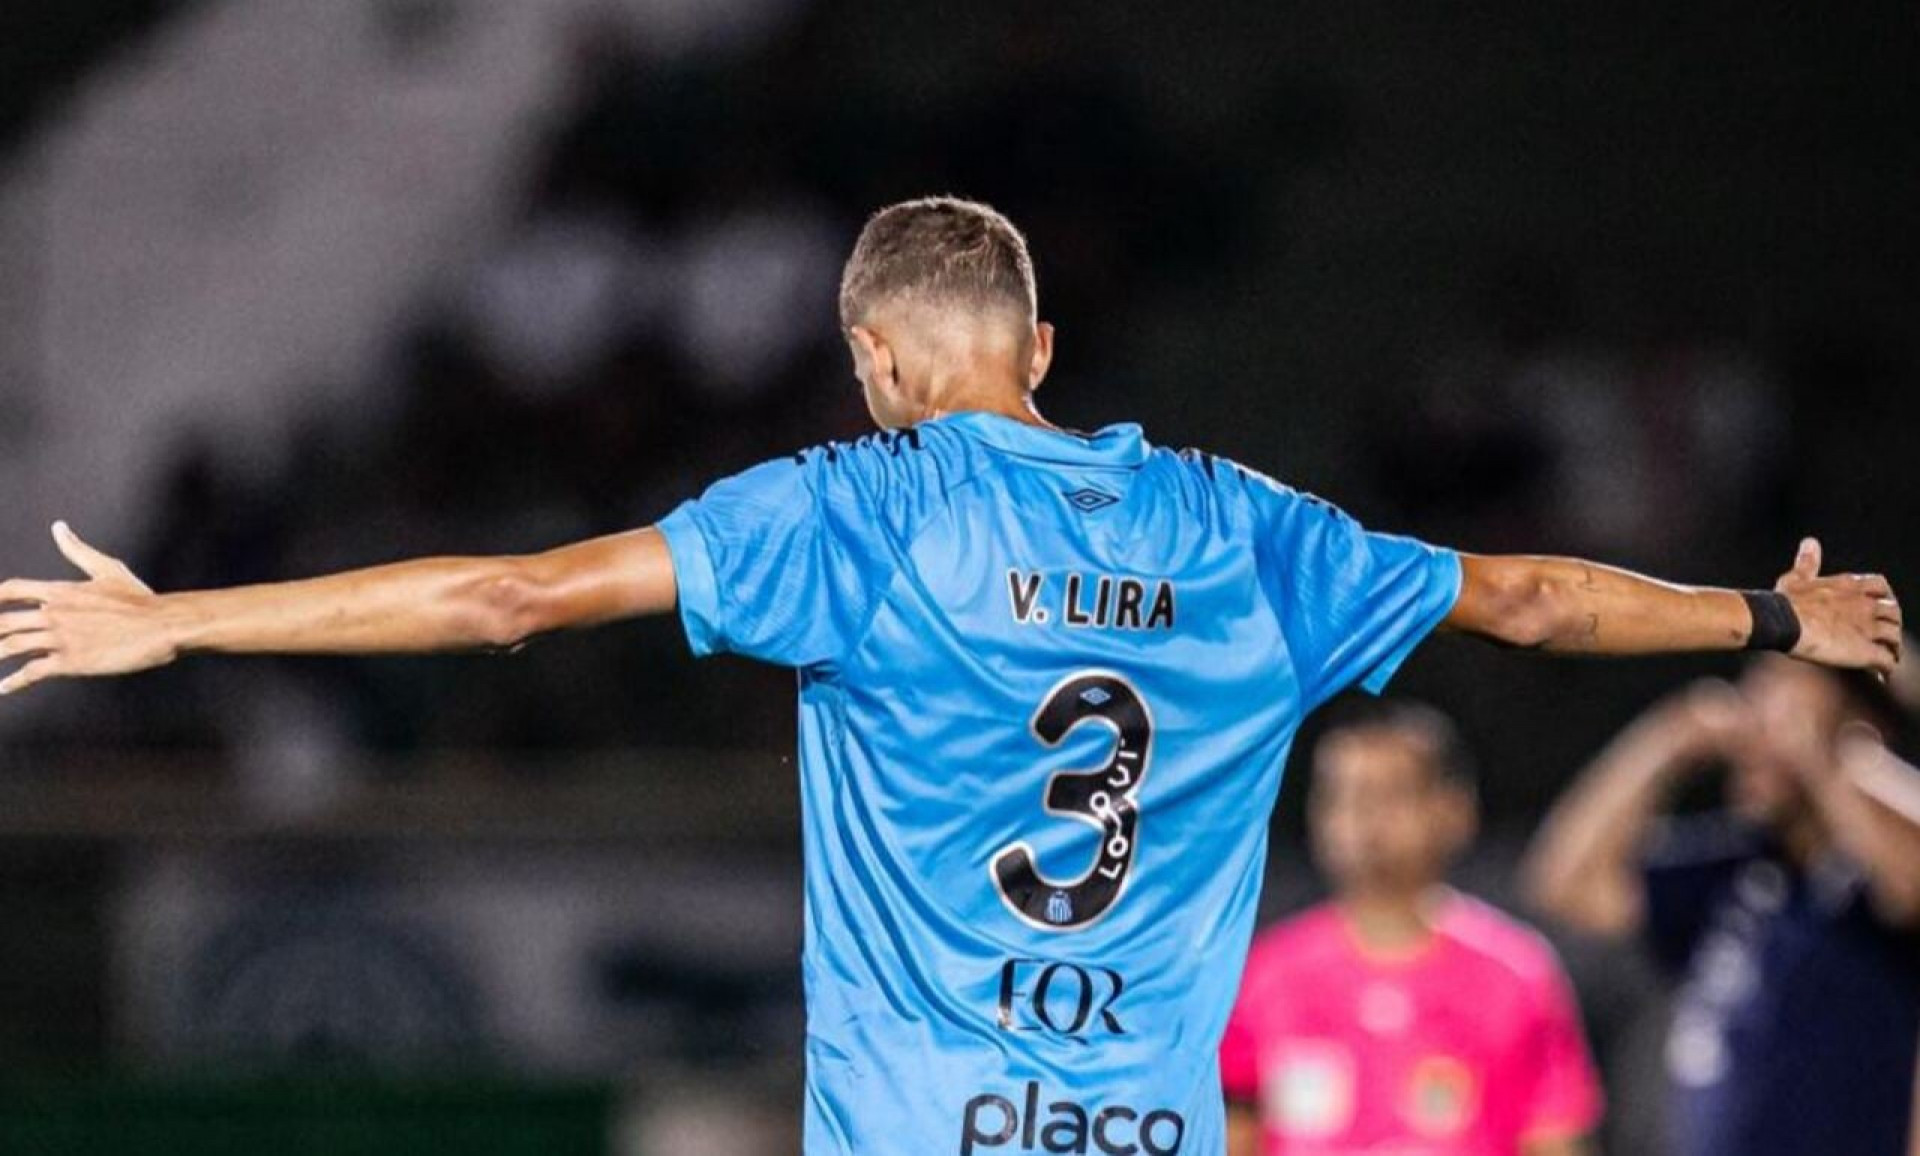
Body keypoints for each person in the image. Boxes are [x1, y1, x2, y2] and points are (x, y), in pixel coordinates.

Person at [0, 197, 1902, 1155]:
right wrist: (1765, 616)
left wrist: (184, 620)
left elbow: (503, 599)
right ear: (1046, 345)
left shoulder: (853, 510)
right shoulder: (1246, 529)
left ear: (874, 363)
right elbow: (1541, 604)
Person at [1522, 658, 1920, 1156]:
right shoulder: (1738, 871)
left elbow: (1908, 885)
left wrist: (1832, 760)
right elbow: (1566, 884)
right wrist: (1671, 738)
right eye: (1754, 701)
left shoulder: (1878, 879)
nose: (1758, 730)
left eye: (1786, 708)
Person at [1222, 702, 1602, 1156]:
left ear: (1454, 810)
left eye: (1389, 794)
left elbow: (1555, 1138)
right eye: (1342, 796)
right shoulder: (1265, 973)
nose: (1364, 820)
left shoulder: (1515, 974)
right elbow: (1230, 1136)